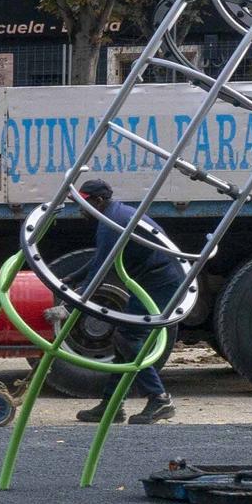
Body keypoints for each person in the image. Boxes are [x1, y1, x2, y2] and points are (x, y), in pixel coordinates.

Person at [61, 178, 183, 424]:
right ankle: (111, 405)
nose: (81, 210)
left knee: (128, 337)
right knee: (124, 340)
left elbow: (101, 269)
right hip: (153, 279)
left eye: (84, 204)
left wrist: (68, 305)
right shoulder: (114, 215)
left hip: (159, 283)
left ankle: (159, 398)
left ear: (99, 201)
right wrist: (72, 278)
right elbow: (101, 258)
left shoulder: (111, 223)